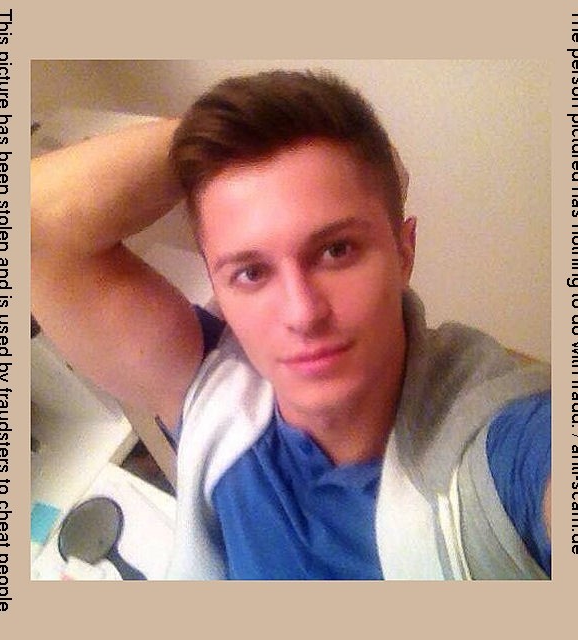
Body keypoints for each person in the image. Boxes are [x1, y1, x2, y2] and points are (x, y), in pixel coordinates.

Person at [31, 69, 551, 580]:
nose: (303, 313)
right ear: (217, 284)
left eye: (337, 250)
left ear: (404, 251)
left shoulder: (504, 453)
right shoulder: (210, 395)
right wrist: (206, 137)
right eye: (251, 272)